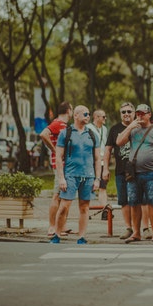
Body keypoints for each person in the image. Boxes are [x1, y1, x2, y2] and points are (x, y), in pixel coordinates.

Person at [116, 103, 153, 243]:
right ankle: (136, 232)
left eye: (143, 113)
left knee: (152, 203)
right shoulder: (133, 130)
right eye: (138, 114)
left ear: (149, 114)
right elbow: (119, 142)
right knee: (134, 203)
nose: (140, 116)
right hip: (134, 173)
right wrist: (130, 126)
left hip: (151, 172)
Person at [49, 105, 100, 244]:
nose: (88, 116)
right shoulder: (66, 133)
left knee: (84, 207)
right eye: (85, 114)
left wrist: (97, 179)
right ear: (76, 115)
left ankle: (81, 237)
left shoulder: (92, 135)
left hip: (88, 176)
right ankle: (57, 234)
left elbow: (97, 159)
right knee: (64, 205)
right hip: (71, 175)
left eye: (89, 114)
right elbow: (58, 157)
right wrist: (61, 178)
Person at [39, 101, 73, 237]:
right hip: (60, 165)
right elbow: (43, 134)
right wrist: (55, 151)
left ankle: (62, 226)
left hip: (67, 165)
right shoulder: (58, 123)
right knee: (57, 195)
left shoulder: (64, 125)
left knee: (65, 196)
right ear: (68, 111)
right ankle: (52, 227)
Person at [103, 102, 135, 239]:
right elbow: (108, 149)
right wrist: (105, 168)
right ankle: (129, 227)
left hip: (137, 170)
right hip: (121, 170)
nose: (126, 114)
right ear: (120, 114)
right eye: (123, 112)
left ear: (134, 112)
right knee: (123, 200)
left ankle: (139, 228)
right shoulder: (115, 129)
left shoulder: (139, 127)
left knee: (137, 200)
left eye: (129, 111)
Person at [87, 109, 109, 219]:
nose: (105, 119)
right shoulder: (89, 128)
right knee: (89, 187)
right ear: (96, 117)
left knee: (103, 187)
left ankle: (104, 211)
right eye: (103, 117)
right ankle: (86, 210)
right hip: (92, 162)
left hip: (102, 162)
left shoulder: (104, 129)